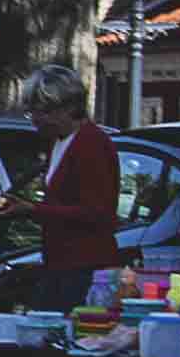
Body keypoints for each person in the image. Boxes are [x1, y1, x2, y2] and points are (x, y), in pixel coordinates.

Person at [18, 64, 120, 303]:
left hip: (85, 267)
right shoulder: (60, 141)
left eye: (42, 112)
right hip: (61, 263)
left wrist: (34, 209)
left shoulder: (91, 144)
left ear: (68, 108)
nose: (35, 119)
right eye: (32, 112)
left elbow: (98, 211)